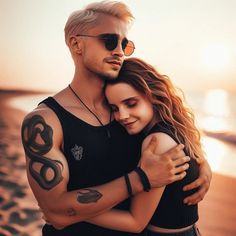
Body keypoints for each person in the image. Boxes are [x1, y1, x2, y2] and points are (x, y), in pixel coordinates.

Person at [21, 1, 211, 235]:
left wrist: (200, 164)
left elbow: (169, 130)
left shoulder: (127, 109)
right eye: (109, 41)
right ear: (76, 43)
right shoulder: (45, 122)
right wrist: (141, 178)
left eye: (124, 44)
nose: (119, 51)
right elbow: (55, 209)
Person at [85, 57, 205, 235]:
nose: (122, 116)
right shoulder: (175, 127)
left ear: (153, 95)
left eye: (131, 103)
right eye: (114, 108)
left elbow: (135, 222)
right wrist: (204, 165)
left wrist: (75, 213)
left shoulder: (157, 142)